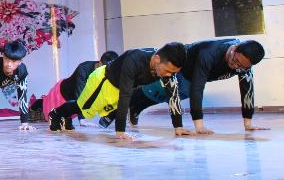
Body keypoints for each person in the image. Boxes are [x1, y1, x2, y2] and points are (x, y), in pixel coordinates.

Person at [104, 39, 267, 135]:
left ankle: (136, 108)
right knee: (156, 90)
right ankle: (115, 111)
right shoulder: (210, 52)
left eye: (241, 66)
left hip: (192, 79)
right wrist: (199, 126)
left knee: (162, 97)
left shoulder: (244, 65)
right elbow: (198, 87)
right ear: (235, 49)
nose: (235, 66)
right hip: (182, 69)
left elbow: (247, 90)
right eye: (235, 60)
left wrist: (248, 123)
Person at [48, 43, 186, 140]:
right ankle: (56, 113)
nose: (169, 75)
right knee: (83, 107)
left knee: (90, 109)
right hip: (103, 80)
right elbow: (125, 95)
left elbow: (173, 95)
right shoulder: (134, 59)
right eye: (167, 71)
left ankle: (66, 117)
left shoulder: (166, 69)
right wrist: (120, 131)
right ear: (156, 59)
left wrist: (178, 127)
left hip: (119, 88)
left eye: (173, 73)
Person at [40, 51, 118, 130]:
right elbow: (80, 94)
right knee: (52, 118)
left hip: (73, 102)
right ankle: (37, 106)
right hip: (63, 93)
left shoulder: (109, 73)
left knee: (67, 126)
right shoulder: (83, 69)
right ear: (100, 63)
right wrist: (82, 119)